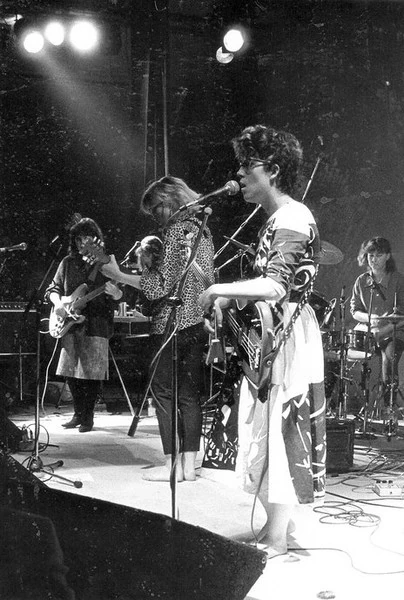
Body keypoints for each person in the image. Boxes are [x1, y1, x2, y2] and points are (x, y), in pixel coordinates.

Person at [199, 124, 326, 557]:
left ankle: (277, 537)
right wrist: (228, 301)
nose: (239, 173)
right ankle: (275, 528)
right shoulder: (277, 217)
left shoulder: (292, 217)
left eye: (246, 164)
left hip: (289, 336)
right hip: (276, 334)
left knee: (282, 429)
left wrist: (218, 290)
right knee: (270, 429)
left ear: (271, 169)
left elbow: (275, 286)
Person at [100, 176, 215, 481]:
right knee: (189, 396)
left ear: (168, 201)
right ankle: (188, 467)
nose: (155, 218)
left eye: (155, 210)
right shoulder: (202, 229)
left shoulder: (176, 230)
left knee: (163, 394)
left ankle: (171, 467)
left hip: (170, 325)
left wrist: (119, 275)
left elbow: (159, 286)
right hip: (196, 323)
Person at [46, 217, 123, 432]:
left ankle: (88, 417)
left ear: (95, 239)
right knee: (71, 371)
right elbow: (53, 288)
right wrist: (58, 304)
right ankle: (78, 414)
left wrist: (117, 293)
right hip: (69, 323)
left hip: (96, 322)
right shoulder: (67, 263)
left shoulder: (105, 263)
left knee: (91, 374)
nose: (81, 243)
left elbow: (120, 293)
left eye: (86, 238)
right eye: (78, 239)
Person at [350, 237, 404, 412]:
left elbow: (402, 316)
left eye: (379, 255)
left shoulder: (398, 280)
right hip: (370, 331)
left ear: (388, 256)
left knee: (389, 359)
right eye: (370, 255)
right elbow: (354, 310)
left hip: (394, 332)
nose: (374, 259)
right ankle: (356, 405)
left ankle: (389, 408)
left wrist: (383, 331)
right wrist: (369, 317)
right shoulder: (361, 281)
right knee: (342, 353)